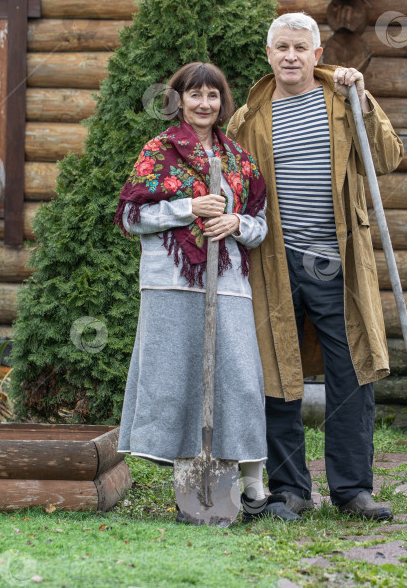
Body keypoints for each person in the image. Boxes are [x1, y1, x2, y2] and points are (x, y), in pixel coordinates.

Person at [227, 12, 404, 521]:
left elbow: (388, 157)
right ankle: (290, 490)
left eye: (300, 48)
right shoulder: (248, 116)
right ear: (268, 55)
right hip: (272, 263)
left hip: (337, 262)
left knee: (352, 373)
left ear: (317, 55)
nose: (290, 56)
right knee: (277, 372)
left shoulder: (344, 100)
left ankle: (352, 490)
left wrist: (363, 97)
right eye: (281, 47)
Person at [115, 62, 282, 521]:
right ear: (178, 100)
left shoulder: (238, 159)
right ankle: (187, 478)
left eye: (212, 96)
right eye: (195, 95)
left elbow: (260, 225)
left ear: (222, 102)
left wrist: (236, 223)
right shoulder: (159, 150)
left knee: (241, 381)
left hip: (227, 283)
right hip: (170, 283)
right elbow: (131, 218)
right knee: (176, 380)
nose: (204, 104)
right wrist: (187, 207)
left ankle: (253, 488)